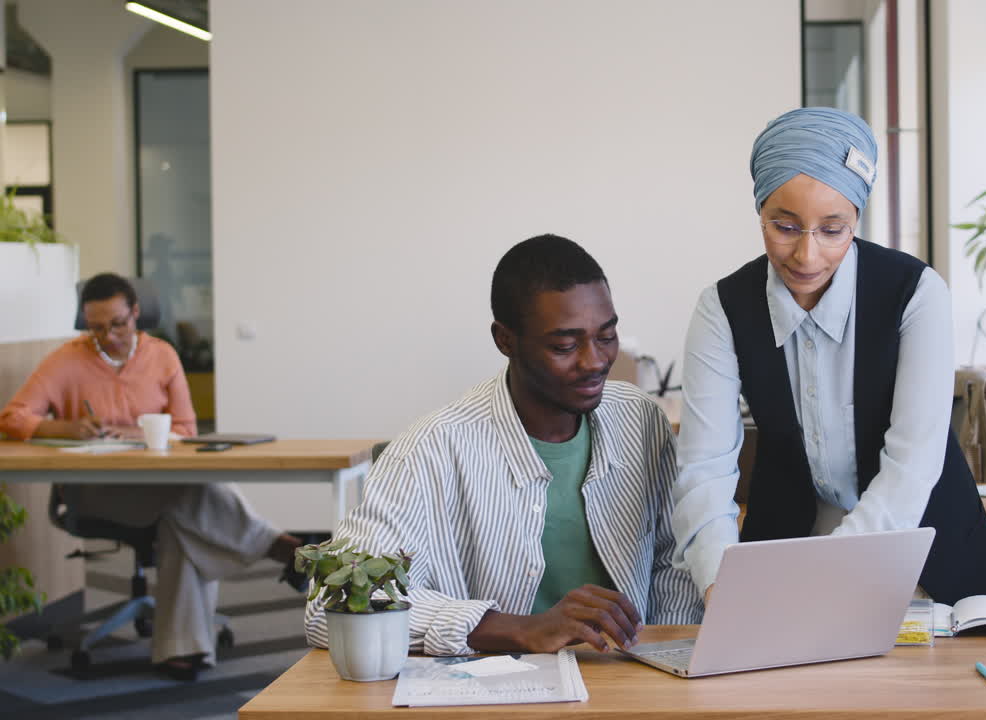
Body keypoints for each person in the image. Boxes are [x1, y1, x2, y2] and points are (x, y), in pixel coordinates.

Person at [671, 108, 986, 606]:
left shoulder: (915, 294)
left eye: (833, 230)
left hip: (926, 567)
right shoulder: (722, 308)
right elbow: (705, 468)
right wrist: (722, 586)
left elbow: (911, 466)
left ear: (857, 219)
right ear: (760, 212)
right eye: (784, 226)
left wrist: (826, 581)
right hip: (783, 555)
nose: (807, 256)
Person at [303, 234, 702, 656]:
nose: (595, 362)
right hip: (492, 694)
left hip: (626, 684)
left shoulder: (641, 420)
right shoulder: (430, 450)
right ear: (505, 340)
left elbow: (671, 562)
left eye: (606, 337)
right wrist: (519, 629)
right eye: (565, 346)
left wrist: (666, 655)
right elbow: (334, 602)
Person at [0, 273, 306, 681]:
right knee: (190, 499)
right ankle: (280, 547)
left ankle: (183, 650)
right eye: (95, 327)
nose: (107, 336)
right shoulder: (66, 360)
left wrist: (137, 433)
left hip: (162, 484)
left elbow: (186, 429)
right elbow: (12, 417)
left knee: (180, 514)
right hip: (96, 491)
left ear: (136, 314)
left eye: (117, 324)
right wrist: (65, 428)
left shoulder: (162, 356)